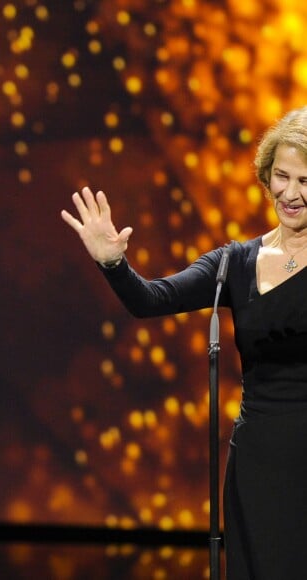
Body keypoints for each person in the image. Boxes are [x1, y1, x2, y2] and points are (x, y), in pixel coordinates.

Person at [61, 106, 307, 579]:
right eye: (281, 176)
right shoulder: (234, 263)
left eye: (304, 181)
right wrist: (113, 264)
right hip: (256, 461)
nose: (290, 193)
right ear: (266, 176)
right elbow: (151, 299)